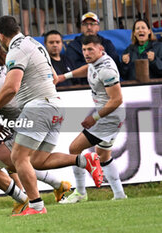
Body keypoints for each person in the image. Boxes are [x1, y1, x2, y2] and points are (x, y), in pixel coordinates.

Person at [0, 19, 103, 216]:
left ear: (0, 36)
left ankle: (36, 206)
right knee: (38, 161)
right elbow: (52, 76)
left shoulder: (16, 50)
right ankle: (84, 160)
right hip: (55, 105)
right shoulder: (35, 44)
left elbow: (11, 88)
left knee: (17, 157)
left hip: (38, 107)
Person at [58, 35, 127, 203]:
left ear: (100, 49)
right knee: (103, 156)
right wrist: (63, 77)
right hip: (112, 117)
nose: (86, 53)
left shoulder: (107, 70)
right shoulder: (97, 62)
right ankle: (119, 195)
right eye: (84, 49)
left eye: (90, 49)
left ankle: (80, 193)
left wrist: (94, 118)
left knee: (74, 149)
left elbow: (117, 99)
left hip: (108, 118)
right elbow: (88, 68)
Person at [65, 12, 120, 84]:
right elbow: (73, 67)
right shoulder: (73, 46)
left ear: (98, 27)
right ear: (81, 27)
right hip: (82, 85)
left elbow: (114, 62)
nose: (89, 27)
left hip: (106, 81)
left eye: (92, 24)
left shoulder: (107, 43)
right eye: (85, 24)